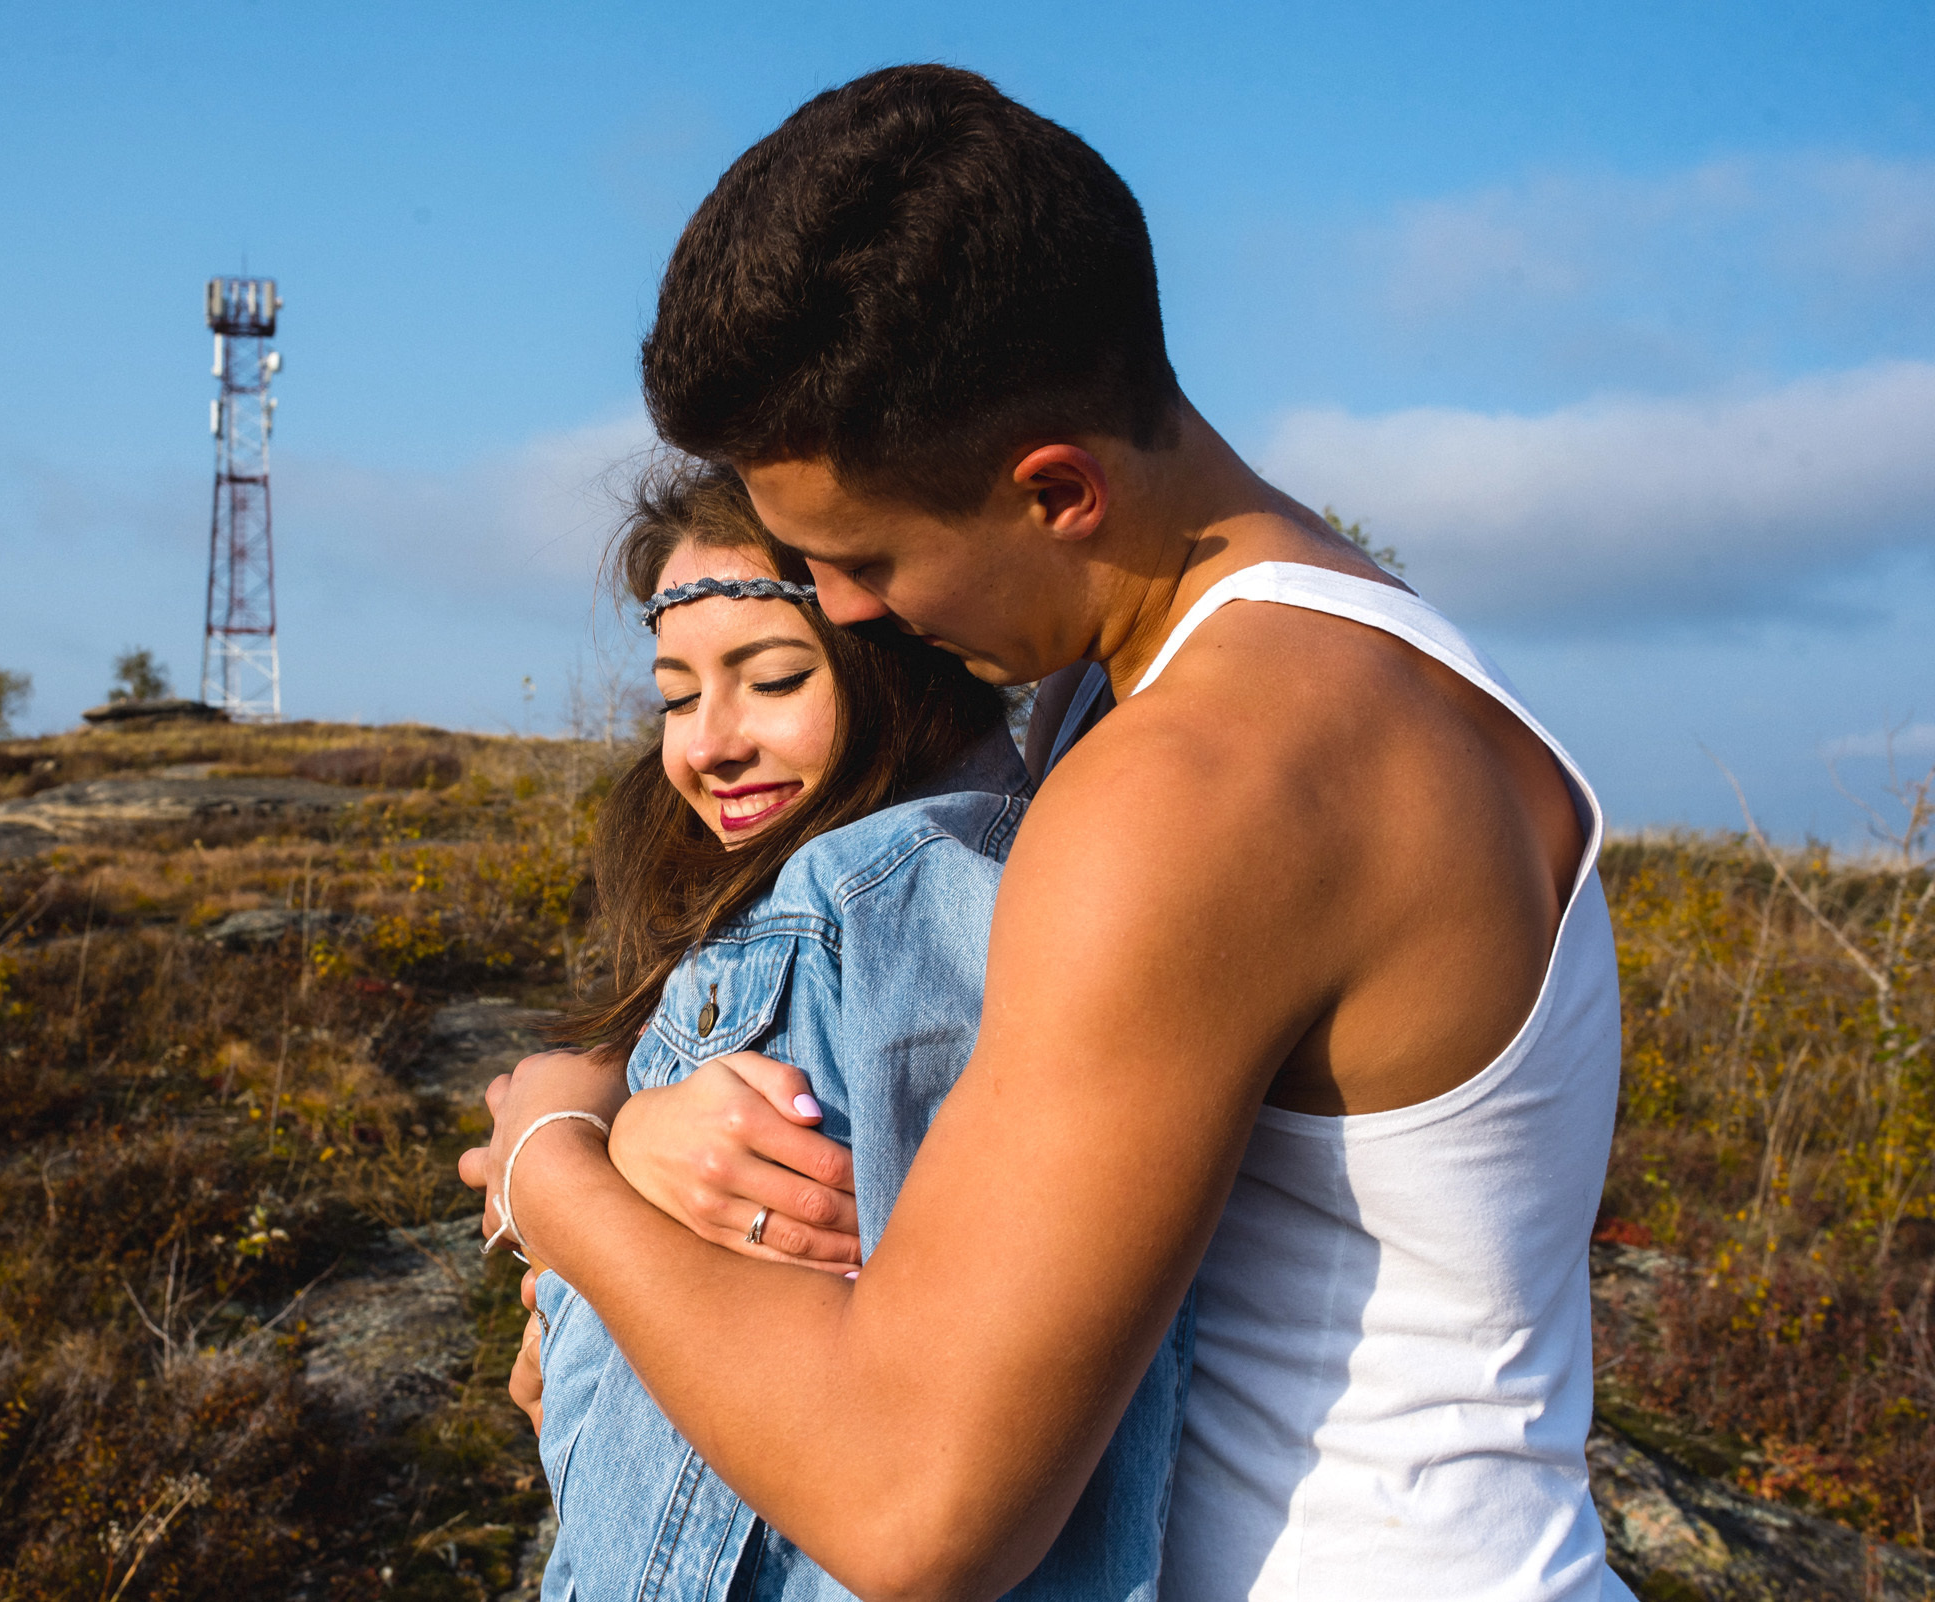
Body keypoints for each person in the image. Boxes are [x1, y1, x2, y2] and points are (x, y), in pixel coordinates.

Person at [466, 64, 1627, 1602]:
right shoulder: (1343, 664)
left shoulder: (1197, 782)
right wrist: (638, 1126)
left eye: (865, 557)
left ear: (1060, 489)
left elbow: (914, 1508)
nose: (850, 610)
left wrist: (552, 1161)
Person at [518, 458, 1194, 1601]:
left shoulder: (880, 898)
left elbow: (892, 1460)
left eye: (775, 679)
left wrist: (554, 1178)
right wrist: (612, 1139)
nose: (705, 745)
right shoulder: (817, 909)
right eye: (676, 696)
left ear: (911, 662)